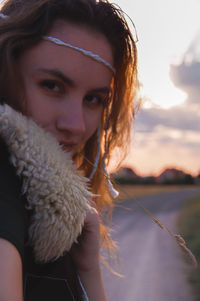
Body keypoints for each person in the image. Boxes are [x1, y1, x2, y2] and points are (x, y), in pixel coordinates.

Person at [0, 0, 138, 300]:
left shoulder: (52, 204)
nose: (75, 125)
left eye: (93, 99)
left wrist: (87, 269)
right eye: (52, 85)